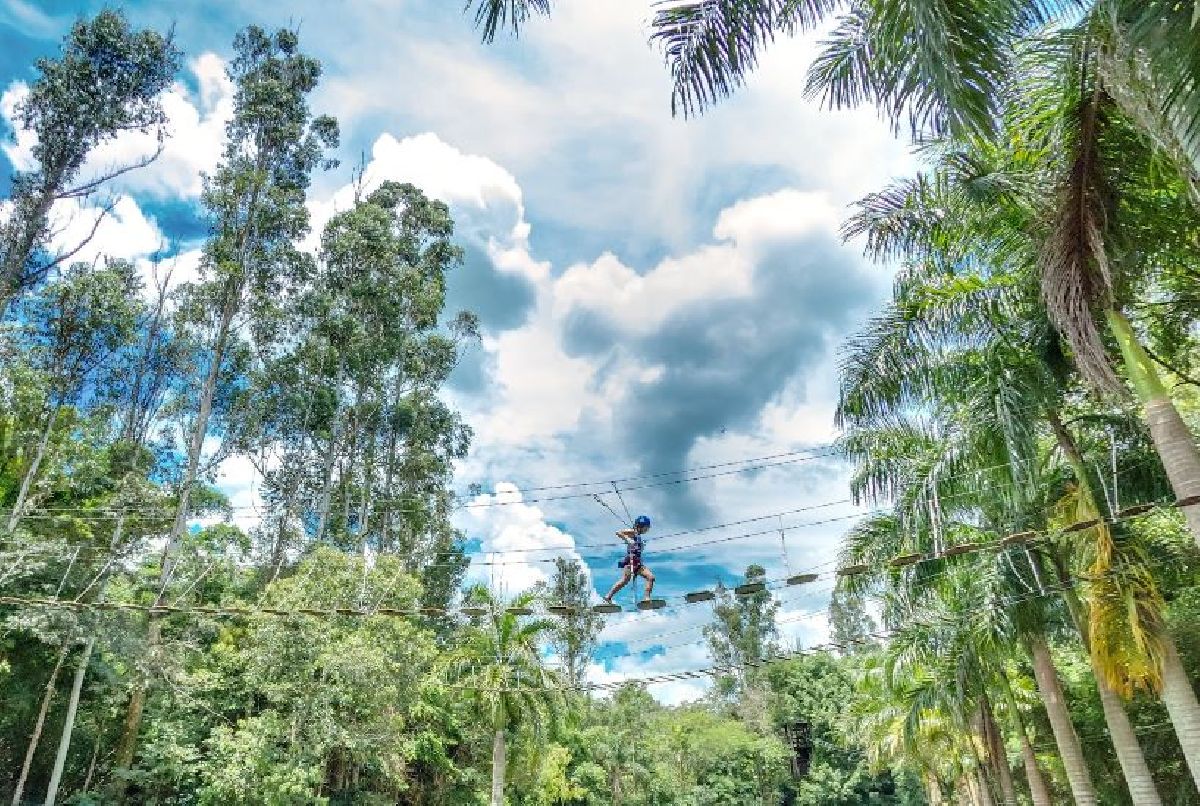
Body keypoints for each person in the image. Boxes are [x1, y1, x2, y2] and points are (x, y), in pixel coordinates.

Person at [603, 515, 655, 603]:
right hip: (630, 563)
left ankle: (646, 598)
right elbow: (618, 532)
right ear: (640, 526)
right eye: (646, 528)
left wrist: (640, 545)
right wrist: (627, 539)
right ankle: (608, 596)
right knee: (624, 581)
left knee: (651, 577)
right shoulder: (633, 532)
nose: (647, 530)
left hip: (638, 564)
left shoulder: (638, 536)